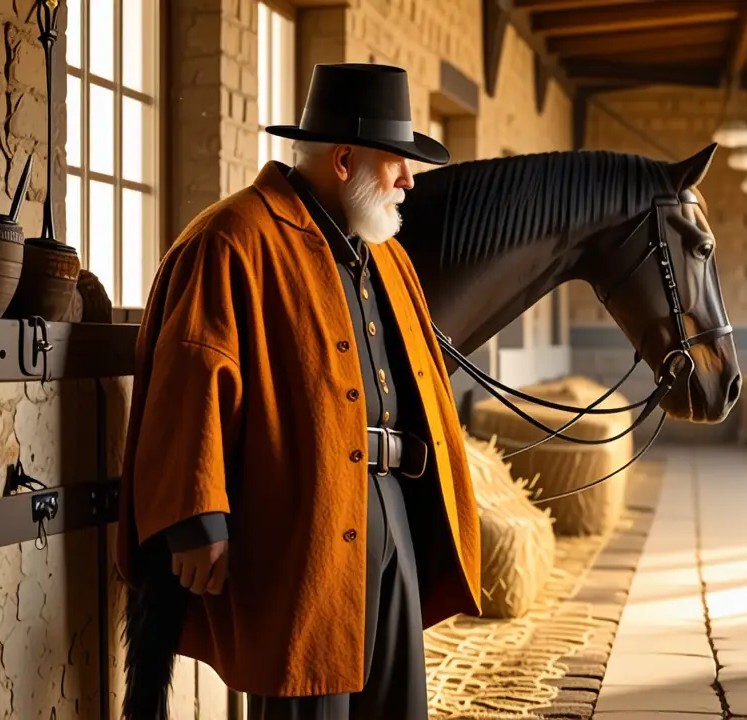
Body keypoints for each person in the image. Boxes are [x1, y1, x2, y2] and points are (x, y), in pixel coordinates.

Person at [115, 63, 481, 720]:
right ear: (344, 160)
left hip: (393, 505)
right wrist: (197, 519)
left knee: (396, 704)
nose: (408, 180)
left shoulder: (385, 254)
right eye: (397, 162)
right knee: (307, 698)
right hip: (298, 514)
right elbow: (192, 373)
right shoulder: (233, 239)